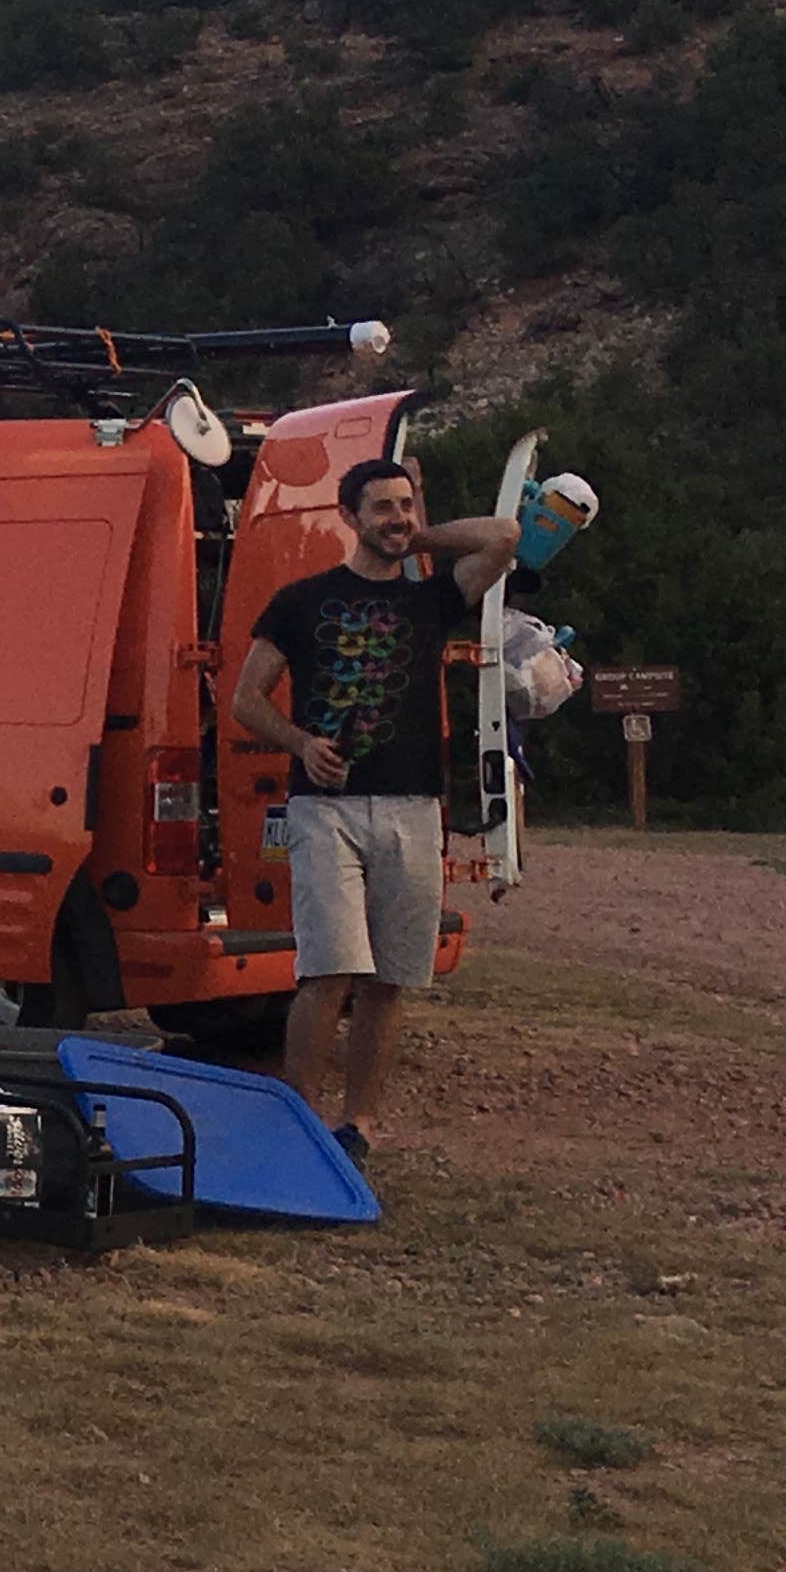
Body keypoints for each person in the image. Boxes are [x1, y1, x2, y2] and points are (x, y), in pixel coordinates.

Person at [228, 454, 520, 1156]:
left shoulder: (433, 598)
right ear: (348, 517)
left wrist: (415, 536)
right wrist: (300, 744)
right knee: (329, 969)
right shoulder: (300, 601)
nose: (396, 517)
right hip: (326, 809)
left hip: (413, 809)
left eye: (405, 505)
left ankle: (357, 1123)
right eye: (381, 508)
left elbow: (504, 535)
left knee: (391, 977)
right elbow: (245, 701)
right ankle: (298, 1120)